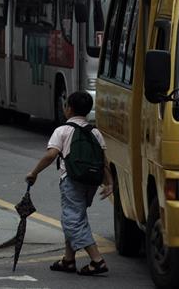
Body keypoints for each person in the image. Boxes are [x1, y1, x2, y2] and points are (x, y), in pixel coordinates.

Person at [25, 91, 113, 276]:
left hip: (72, 180)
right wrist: (109, 183)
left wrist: (34, 172)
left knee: (72, 219)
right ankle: (68, 259)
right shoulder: (95, 132)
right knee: (75, 216)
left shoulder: (63, 130)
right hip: (90, 182)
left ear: (69, 109)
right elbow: (104, 161)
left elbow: (50, 155)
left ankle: (97, 260)